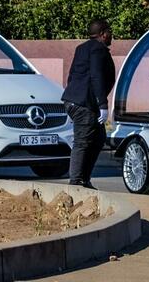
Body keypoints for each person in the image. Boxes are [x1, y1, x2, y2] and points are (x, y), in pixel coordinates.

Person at [62, 19, 115, 189]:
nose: (111, 35)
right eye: (109, 32)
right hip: (84, 104)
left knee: (98, 139)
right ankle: (76, 182)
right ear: (103, 34)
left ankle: (84, 179)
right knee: (82, 141)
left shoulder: (82, 48)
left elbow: (71, 76)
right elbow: (96, 76)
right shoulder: (98, 49)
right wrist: (103, 104)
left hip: (76, 101)